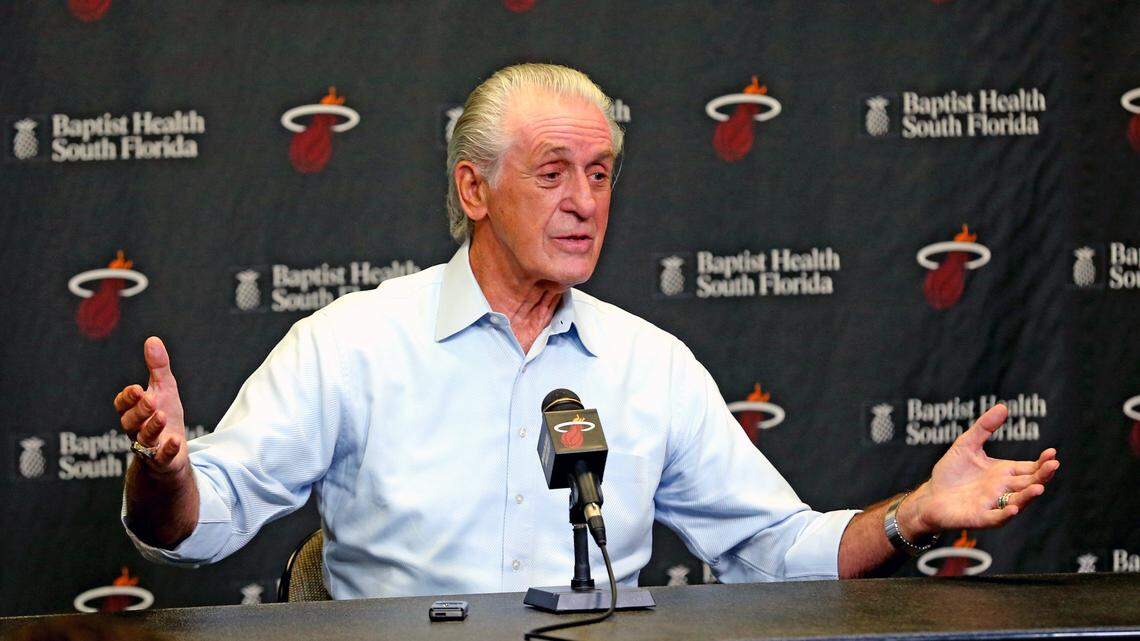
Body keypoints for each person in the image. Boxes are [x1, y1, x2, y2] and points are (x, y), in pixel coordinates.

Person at [115, 63, 1059, 599]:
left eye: (601, 174)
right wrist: (167, 474)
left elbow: (774, 548)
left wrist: (911, 514)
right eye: (553, 172)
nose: (584, 203)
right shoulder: (353, 344)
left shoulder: (650, 366)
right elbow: (202, 522)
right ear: (473, 189)